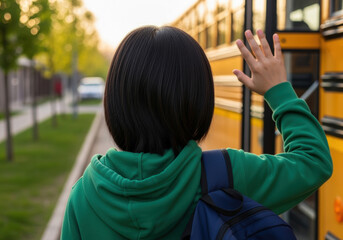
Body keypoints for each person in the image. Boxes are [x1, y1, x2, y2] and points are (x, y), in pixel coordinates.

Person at [60, 26, 332, 239]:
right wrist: (279, 91)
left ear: (115, 101)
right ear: (198, 100)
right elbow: (313, 162)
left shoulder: (84, 196)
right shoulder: (226, 175)